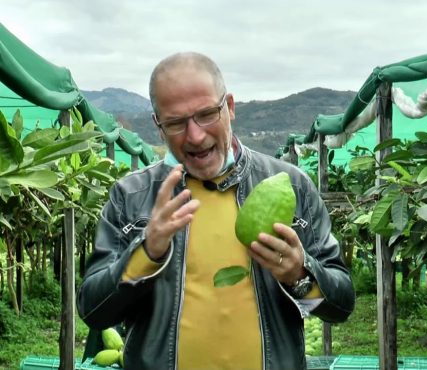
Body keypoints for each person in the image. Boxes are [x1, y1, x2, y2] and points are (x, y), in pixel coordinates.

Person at [77, 52, 355, 370]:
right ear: (158, 125)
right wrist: (146, 252)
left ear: (230, 107)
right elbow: (94, 311)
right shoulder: (131, 196)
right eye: (176, 123)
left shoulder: (291, 185)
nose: (195, 135)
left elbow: (340, 307)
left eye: (207, 114)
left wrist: (299, 274)